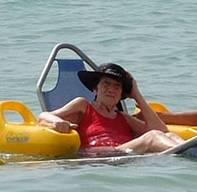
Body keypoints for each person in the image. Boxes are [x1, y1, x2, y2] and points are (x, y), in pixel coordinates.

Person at [38, 63, 184, 154]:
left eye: (117, 87)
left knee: (169, 136)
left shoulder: (123, 118)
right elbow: (44, 116)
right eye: (106, 84)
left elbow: (162, 130)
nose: (111, 90)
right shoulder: (84, 105)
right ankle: (186, 154)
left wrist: (137, 95)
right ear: (95, 90)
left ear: (121, 94)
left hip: (124, 157)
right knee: (152, 137)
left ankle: (192, 152)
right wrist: (56, 122)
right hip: (102, 156)